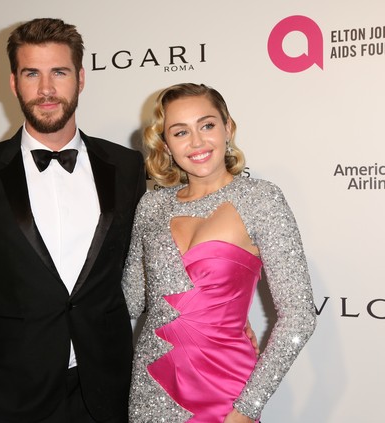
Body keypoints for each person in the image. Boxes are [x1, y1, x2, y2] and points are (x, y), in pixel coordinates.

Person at [0, 18, 147, 423]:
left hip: (108, 392)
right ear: (14, 82)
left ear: (81, 78)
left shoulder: (127, 166)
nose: (46, 89)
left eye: (59, 72)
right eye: (32, 73)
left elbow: (151, 263)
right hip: (11, 396)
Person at [122, 83, 317, 423]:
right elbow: (128, 300)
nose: (197, 142)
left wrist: (247, 408)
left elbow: (299, 316)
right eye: (180, 132)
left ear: (228, 128)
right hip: (151, 389)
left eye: (207, 125)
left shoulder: (261, 200)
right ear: (166, 144)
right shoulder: (151, 205)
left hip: (228, 394)